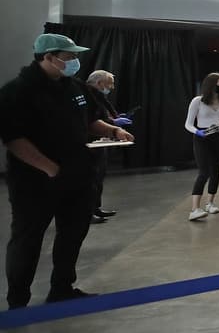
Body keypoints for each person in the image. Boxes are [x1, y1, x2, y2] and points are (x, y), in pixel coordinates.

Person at [1, 33, 133, 308]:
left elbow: (91, 120)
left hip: (78, 176)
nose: (74, 61)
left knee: (72, 234)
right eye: (69, 57)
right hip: (34, 182)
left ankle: (62, 287)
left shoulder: (75, 87)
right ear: (48, 57)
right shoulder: (18, 91)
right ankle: (18, 300)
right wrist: (50, 168)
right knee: (28, 239)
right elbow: (14, 139)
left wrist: (113, 130)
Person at [184, 72, 219, 221]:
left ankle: (210, 203)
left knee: (216, 171)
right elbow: (188, 124)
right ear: (211, 85)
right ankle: (194, 209)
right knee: (204, 172)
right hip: (202, 138)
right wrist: (198, 132)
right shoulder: (198, 101)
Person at [84, 69, 125, 223]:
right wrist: (113, 124)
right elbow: (91, 120)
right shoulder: (88, 96)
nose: (112, 88)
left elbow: (103, 114)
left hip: (100, 142)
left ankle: (96, 208)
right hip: (89, 143)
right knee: (91, 180)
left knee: (99, 178)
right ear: (99, 83)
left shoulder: (99, 97)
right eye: (110, 84)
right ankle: (87, 213)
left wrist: (115, 119)